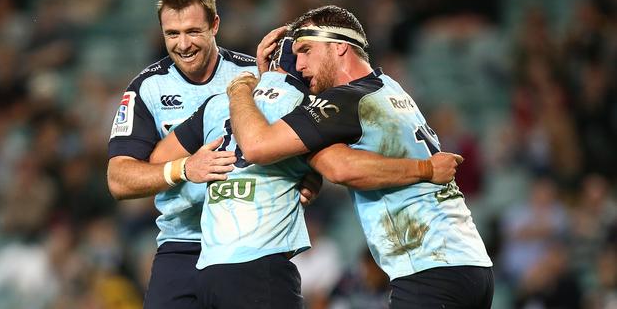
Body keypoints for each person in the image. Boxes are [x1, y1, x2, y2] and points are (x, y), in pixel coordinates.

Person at [148, 39, 466, 308]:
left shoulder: (219, 102)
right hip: (261, 266)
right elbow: (337, 166)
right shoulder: (308, 104)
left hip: (208, 267)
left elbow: (158, 159)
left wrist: (189, 169)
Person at [226, 5, 494, 309]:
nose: (298, 65)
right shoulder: (389, 87)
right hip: (470, 264)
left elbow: (257, 146)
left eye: (306, 50)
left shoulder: (347, 100)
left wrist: (243, 88)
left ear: (339, 46)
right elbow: (334, 160)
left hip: (429, 270)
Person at [106, 0, 257, 309]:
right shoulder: (147, 89)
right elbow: (118, 179)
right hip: (181, 245)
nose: (183, 44)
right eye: (172, 34)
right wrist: (184, 168)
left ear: (215, 25)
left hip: (250, 243)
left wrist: (308, 179)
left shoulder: (253, 77)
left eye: (192, 31)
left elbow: (296, 139)